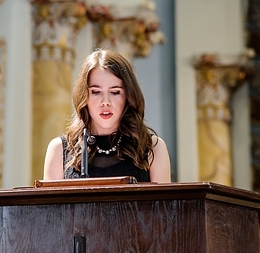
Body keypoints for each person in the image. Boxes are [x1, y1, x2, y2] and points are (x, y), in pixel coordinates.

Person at [43, 49, 171, 182]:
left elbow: (163, 203)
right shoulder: (59, 149)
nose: (105, 102)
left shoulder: (153, 148)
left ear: (128, 96)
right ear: (84, 96)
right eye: (96, 92)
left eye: (115, 92)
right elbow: (52, 203)